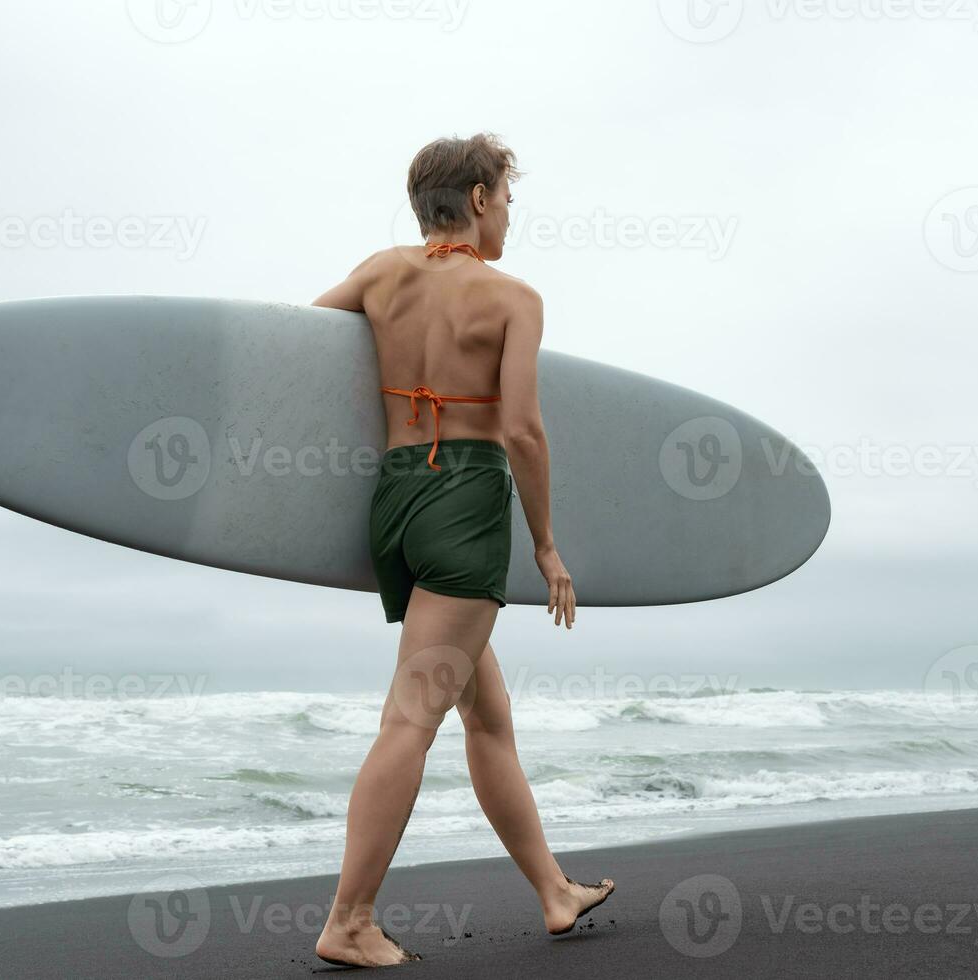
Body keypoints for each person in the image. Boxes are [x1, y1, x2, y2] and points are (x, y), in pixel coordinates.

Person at [309, 133, 614, 968]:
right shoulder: (513, 299)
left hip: (396, 504)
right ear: (478, 199)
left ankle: (553, 890)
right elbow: (520, 428)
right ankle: (350, 919)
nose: (509, 214)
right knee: (411, 719)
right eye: (508, 198)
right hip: (466, 505)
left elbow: (300, 353)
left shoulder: (379, 273)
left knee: (486, 714)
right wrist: (546, 547)